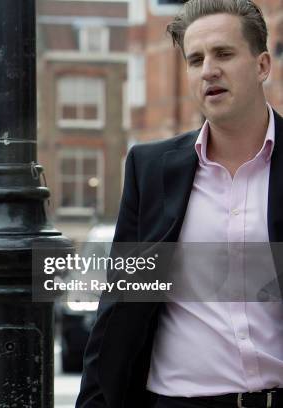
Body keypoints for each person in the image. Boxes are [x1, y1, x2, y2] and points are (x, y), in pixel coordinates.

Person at [77, 0, 283, 407]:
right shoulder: (150, 169)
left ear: (262, 66)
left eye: (224, 53)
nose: (208, 69)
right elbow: (121, 303)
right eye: (195, 59)